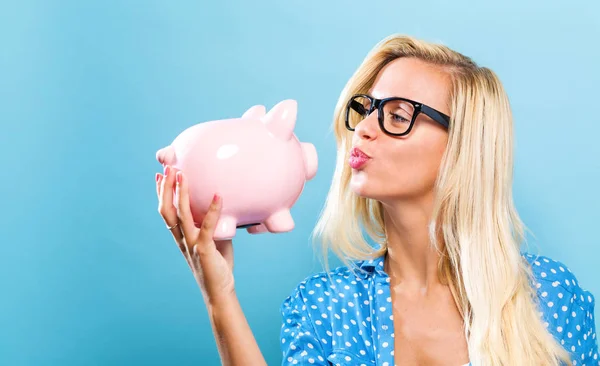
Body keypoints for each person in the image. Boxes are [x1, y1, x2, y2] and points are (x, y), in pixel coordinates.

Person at [155, 34, 598, 366]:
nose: (363, 129)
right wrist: (220, 294)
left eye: (398, 116)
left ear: (462, 146)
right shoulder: (326, 307)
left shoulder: (547, 297)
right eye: (366, 108)